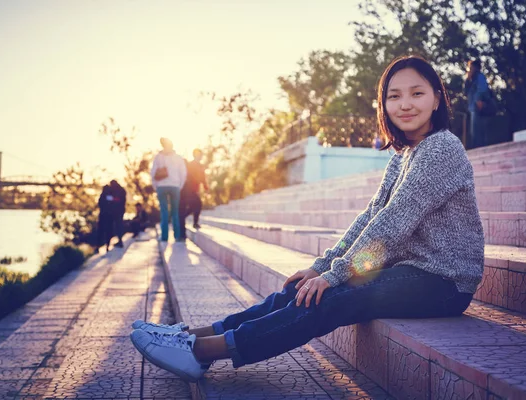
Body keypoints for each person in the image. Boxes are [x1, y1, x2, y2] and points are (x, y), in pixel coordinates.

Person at [130, 55, 485, 382]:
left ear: (437, 99)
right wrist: (321, 267)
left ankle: (200, 353)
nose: (405, 104)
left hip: (445, 282)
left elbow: (392, 224)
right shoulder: (404, 153)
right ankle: (195, 334)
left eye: (417, 93)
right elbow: (371, 216)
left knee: (328, 297)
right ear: (384, 104)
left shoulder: (441, 148)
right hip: (413, 271)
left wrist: (335, 275)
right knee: (299, 289)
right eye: (394, 96)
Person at [151, 138, 187, 243]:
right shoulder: (178, 158)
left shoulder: (158, 157)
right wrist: (180, 186)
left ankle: (164, 236)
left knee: (164, 211)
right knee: (175, 211)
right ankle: (177, 235)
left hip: (161, 186)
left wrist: (155, 186)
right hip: (175, 186)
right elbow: (183, 173)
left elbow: (153, 172)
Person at [179, 148, 209, 239]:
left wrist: (205, 186)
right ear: (195, 155)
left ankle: (182, 218)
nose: (200, 156)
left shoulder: (201, 166)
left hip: (195, 189)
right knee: (198, 204)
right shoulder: (190, 165)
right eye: (199, 154)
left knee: (194, 207)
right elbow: (187, 176)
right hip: (189, 190)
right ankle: (193, 222)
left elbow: (203, 177)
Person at [464, 58, 490, 149]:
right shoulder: (471, 80)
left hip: (478, 106)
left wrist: (478, 100)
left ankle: (480, 149)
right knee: (474, 131)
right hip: (472, 108)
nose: (469, 69)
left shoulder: (480, 77)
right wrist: (467, 79)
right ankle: (477, 148)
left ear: (476, 68)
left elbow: (482, 89)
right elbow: (465, 92)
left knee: (477, 131)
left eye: (471, 67)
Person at [109, 180, 127, 248]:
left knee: (118, 226)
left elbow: (118, 199)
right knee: (118, 226)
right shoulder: (121, 190)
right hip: (119, 211)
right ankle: (119, 241)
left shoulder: (119, 190)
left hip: (118, 211)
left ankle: (120, 241)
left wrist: (112, 199)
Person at [97, 184, 115, 251]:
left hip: (103, 216)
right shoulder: (109, 196)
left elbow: (99, 204)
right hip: (109, 217)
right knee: (108, 232)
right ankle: (107, 245)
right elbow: (113, 205)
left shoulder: (102, 196)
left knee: (101, 232)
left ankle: (99, 246)